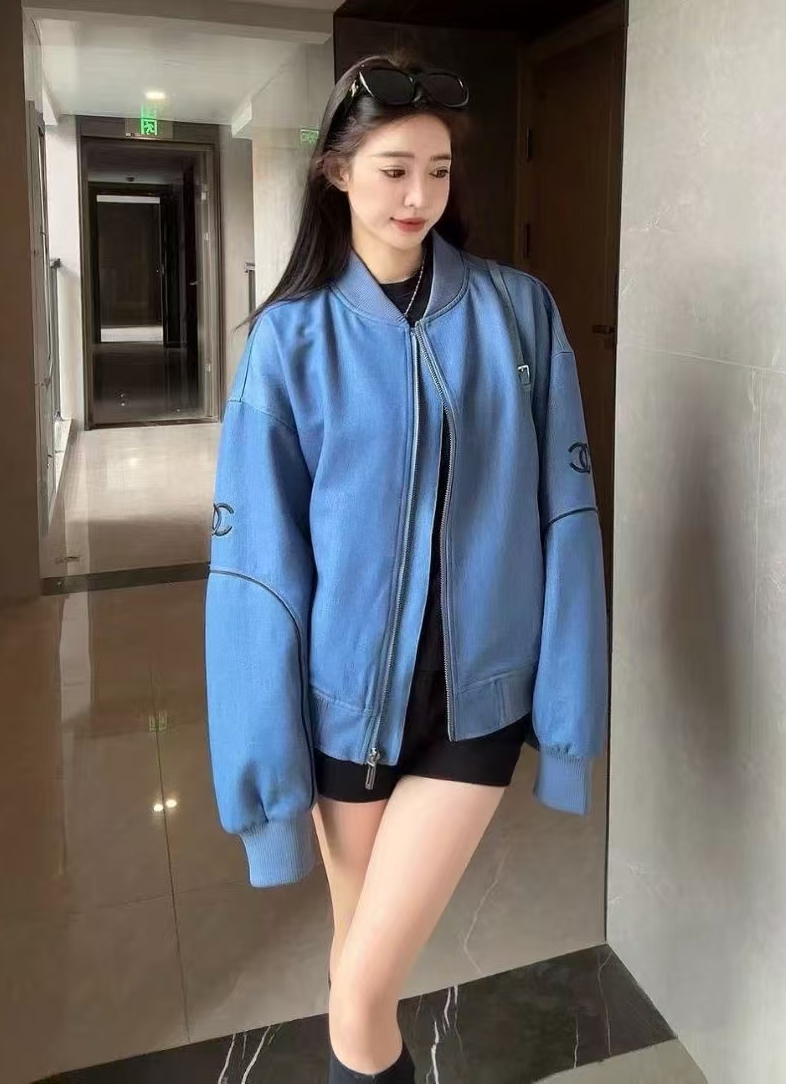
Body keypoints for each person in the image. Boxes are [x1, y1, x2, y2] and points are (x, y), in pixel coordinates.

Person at [204, 55, 609, 1083]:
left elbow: (566, 520)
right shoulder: (290, 343)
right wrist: (266, 785)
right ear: (337, 172)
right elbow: (256, 571)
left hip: (477, 705)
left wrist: (567, 723)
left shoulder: (519, 314)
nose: (418, 195)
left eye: (437, 170)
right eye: (393, 170)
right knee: (358, 971)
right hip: (347, 710)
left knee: (361, 989)